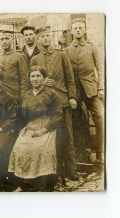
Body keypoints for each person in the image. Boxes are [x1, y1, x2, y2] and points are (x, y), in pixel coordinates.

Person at [30, 26, 79, 181]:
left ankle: (71, 170)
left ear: (50, 37)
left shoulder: (61, 54)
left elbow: (70, 79)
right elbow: (33, 80)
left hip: (63, 101)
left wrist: (72, 97)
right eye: (42, 36)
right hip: (46, 104)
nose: (45, 38)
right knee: (50, 139)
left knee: (67, 136)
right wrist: (43, 82)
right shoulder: (35, 59)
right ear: (38, 39)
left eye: (47, 36)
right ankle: (53, 171)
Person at [8, 66, 63, 192]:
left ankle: (42, 184)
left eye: (38, 76)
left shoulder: (52, 94)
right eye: (32, 76)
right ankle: (26, 183)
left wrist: (44, 130)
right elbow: (23, 115)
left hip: (48, 126)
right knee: (19, 146)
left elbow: (58, 115)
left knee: (39, 148)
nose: (35, 79)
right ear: (29, 79)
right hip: (31, 126)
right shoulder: (27, 95)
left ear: (44, 78)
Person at [64, 18, 104, 163]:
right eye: (75, 28)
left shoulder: (92, 48)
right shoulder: (66, 50)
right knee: (77, 121)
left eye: (81, 28)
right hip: (75, 92)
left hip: (92, 90)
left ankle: (99, 154)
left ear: (85, 30)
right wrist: (70, 95)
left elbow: (100, 68)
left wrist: (101, 87)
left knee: (100, 117)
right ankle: (82, 153)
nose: (78, 30)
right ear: (72, 31)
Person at [0, 29, 29, 105]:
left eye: (7, 38)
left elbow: (24, 79)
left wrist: (23, 96)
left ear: (12, 40)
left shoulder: (19, 56)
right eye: (2, 39)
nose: (4, 41)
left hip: (14, 94)